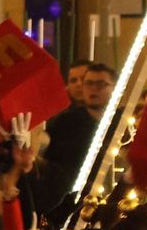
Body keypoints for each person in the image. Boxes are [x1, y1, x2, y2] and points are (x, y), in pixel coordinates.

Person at [41, 62, 114, 210]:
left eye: (100, 84)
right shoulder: (65, 123)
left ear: (115, 87)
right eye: (89, 83)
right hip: (73, 201)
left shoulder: (122, 122)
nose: (93, 89)